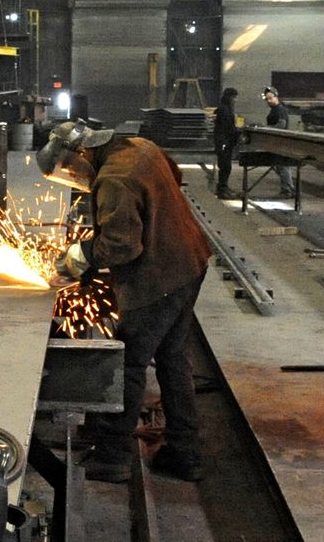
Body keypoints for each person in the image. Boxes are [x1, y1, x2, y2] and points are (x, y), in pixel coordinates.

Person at [36, 121, 213, 483]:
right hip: (189, 261)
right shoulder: (140, 147)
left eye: (71, 171)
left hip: (159, 278)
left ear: (82, 153)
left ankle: (113, 456)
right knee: (172, 358)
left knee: (128, 362)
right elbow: (170, 182)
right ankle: (185, 453)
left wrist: (80, 255)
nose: (75, 178)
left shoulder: (113, 179)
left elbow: (122, 246)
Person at [263, 87, 297, 197]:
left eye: (270, 98)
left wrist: (267, 128)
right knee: (281, 166)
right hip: (276, 142)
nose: (268, 101)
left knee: (283, 166)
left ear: (276, 97)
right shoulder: (274, 110)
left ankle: (287, 190)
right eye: (267, 99)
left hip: (281, 142)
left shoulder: (280, 110)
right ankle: (289, 188)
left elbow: (281, 125)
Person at [213, 88, 241, 198]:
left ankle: (223, 187)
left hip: (225, 142)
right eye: (234, 97)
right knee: (225, 166)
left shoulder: (225, 109)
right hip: (223, 142)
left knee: (226, 166)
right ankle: (222, 189)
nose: (235, 100)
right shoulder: (224, 110)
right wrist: (238, 131)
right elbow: (227, 128)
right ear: (229, 97)